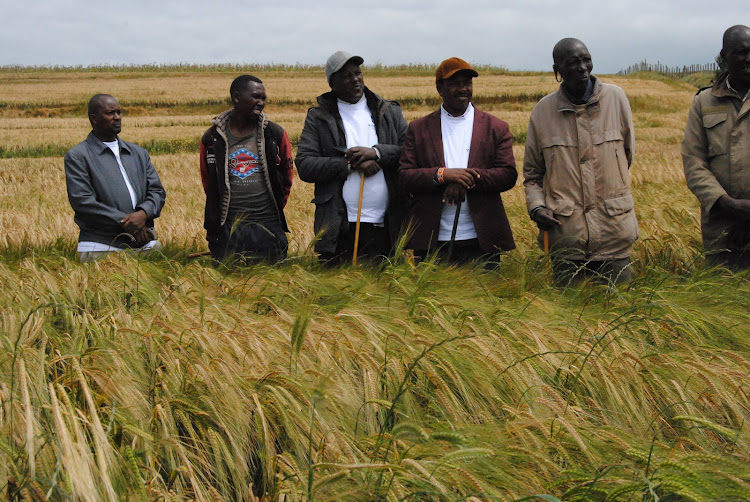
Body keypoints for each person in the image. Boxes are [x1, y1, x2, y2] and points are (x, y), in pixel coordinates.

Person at [523, 39, 637, 285]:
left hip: (614, 233)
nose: (583, 67)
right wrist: (537, 207)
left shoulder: (616, 99)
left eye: (586, 59)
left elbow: (626, 156)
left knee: (619, 311)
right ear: (558, 70)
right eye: (573, 62)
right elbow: (533, 175)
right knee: (568, 317)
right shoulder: (543, 111)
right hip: (566, 237)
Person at [398, 57, 517, 265]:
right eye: (454, 83)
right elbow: (404, 176)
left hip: (482, 239)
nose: (463, 89)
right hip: (432, 240)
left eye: (467, 83)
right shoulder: (419, 129)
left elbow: (507, 174)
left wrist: (465, 179)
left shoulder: (496, 127)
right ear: (439, 88)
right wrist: (442, 175)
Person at [296, 51, 408, 264]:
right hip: (338, 226)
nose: (355, 79)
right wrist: (350, 163)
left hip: (386, 224)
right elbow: (305, 165)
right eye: (347, 76)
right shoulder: (319, 117)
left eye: (358, 73)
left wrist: (377, 153)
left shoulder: (389, 112)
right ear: (332, 83)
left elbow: (410, 151)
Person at [200, 75, 294, 263]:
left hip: (268, 226)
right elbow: (208, 180)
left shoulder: (275, 134)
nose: (261, 103)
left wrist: (273, 207)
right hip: (228, 228)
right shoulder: (212, 138)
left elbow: (287, 176)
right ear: (236, 97)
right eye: (256, 97)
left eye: (264, 98)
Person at [64, 93, 166, 262]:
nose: (117, 117)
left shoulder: (138, 153)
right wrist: (130, 223)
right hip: (101, 246)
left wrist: (143, 213)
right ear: (94, 118)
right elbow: (83, 202)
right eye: (110, 113)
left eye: (119, 112)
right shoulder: (78, 156)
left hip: (142, 243)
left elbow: (157, 191)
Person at [682, 25, 750, 270]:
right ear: (724, 57)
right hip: (722, 232)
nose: (749, 58)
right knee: (720, 304)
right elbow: (693, 160)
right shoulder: (704, 102)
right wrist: (728, 206)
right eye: (742, 52)